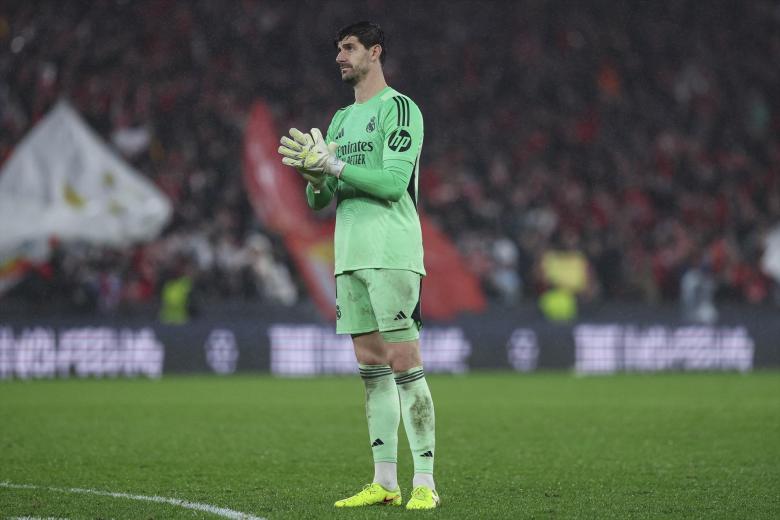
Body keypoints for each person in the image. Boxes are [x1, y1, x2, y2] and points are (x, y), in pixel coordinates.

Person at [278, 21, 439, 510]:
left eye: (349, 48)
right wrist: (313, 177)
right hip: (349, 256)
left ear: (375, 51)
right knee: (371, 369)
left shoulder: (400, 109)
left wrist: (334, 167)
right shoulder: (340, 121)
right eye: (337, 50)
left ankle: (426, 484)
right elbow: (321, 200)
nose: (340, 57)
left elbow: (392, 184)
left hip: (391, 252)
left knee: (405, 364)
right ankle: (385, 482)